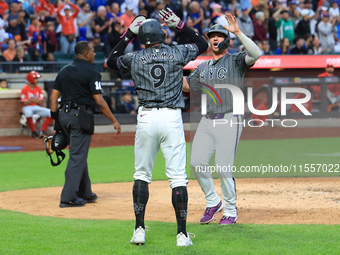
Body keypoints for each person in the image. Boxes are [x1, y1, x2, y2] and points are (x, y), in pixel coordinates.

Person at [106, 9, 208, 246]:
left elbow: (112, 60)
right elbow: (202, 44)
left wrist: (129, 34)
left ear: (143, 38)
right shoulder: (177, 52)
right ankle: (182, 235)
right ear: (162, 34)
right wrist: (180, 25)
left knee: (142, 174)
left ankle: (139, 229)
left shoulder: (135, 58)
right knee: (177, 178)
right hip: (172, 118)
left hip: (146, 118)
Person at [184, 14, 261, 225]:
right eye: (212, 36)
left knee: (223, 167)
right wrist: (168, 70)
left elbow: (256, 53)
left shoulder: (236, 60)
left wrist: (237, 31)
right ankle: (212, 201)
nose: (215, 39)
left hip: (230, 118)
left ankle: (230, 210)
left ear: (227, 40)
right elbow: (188, 86)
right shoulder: (203, 66)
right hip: (207, 120)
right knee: (197, 162)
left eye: (219, 35)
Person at [50, 41, 121, 208]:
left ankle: (85, 192)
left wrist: (55, 122)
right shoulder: (92, 71)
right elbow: (99, 101)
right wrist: (113, 120)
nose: (95, 54)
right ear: (86, 54)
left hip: (63, 115)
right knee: (77, 156)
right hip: (79, 116)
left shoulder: (64, 70)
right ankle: (68, 198)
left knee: (78, 153)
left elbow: (53, 98)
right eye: (93, 51)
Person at [21, 71, 53, 138]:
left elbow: (41, 102)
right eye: (35, 78)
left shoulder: (38, 88)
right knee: (28, 113)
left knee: (51, 113)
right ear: (30, 79)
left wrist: (31, 100)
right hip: (27, 107)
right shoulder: (25, 89)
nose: (37, 80)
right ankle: (33, 132)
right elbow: (25, 102)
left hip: (36, 106)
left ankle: (42, 131)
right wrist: (35, 100)